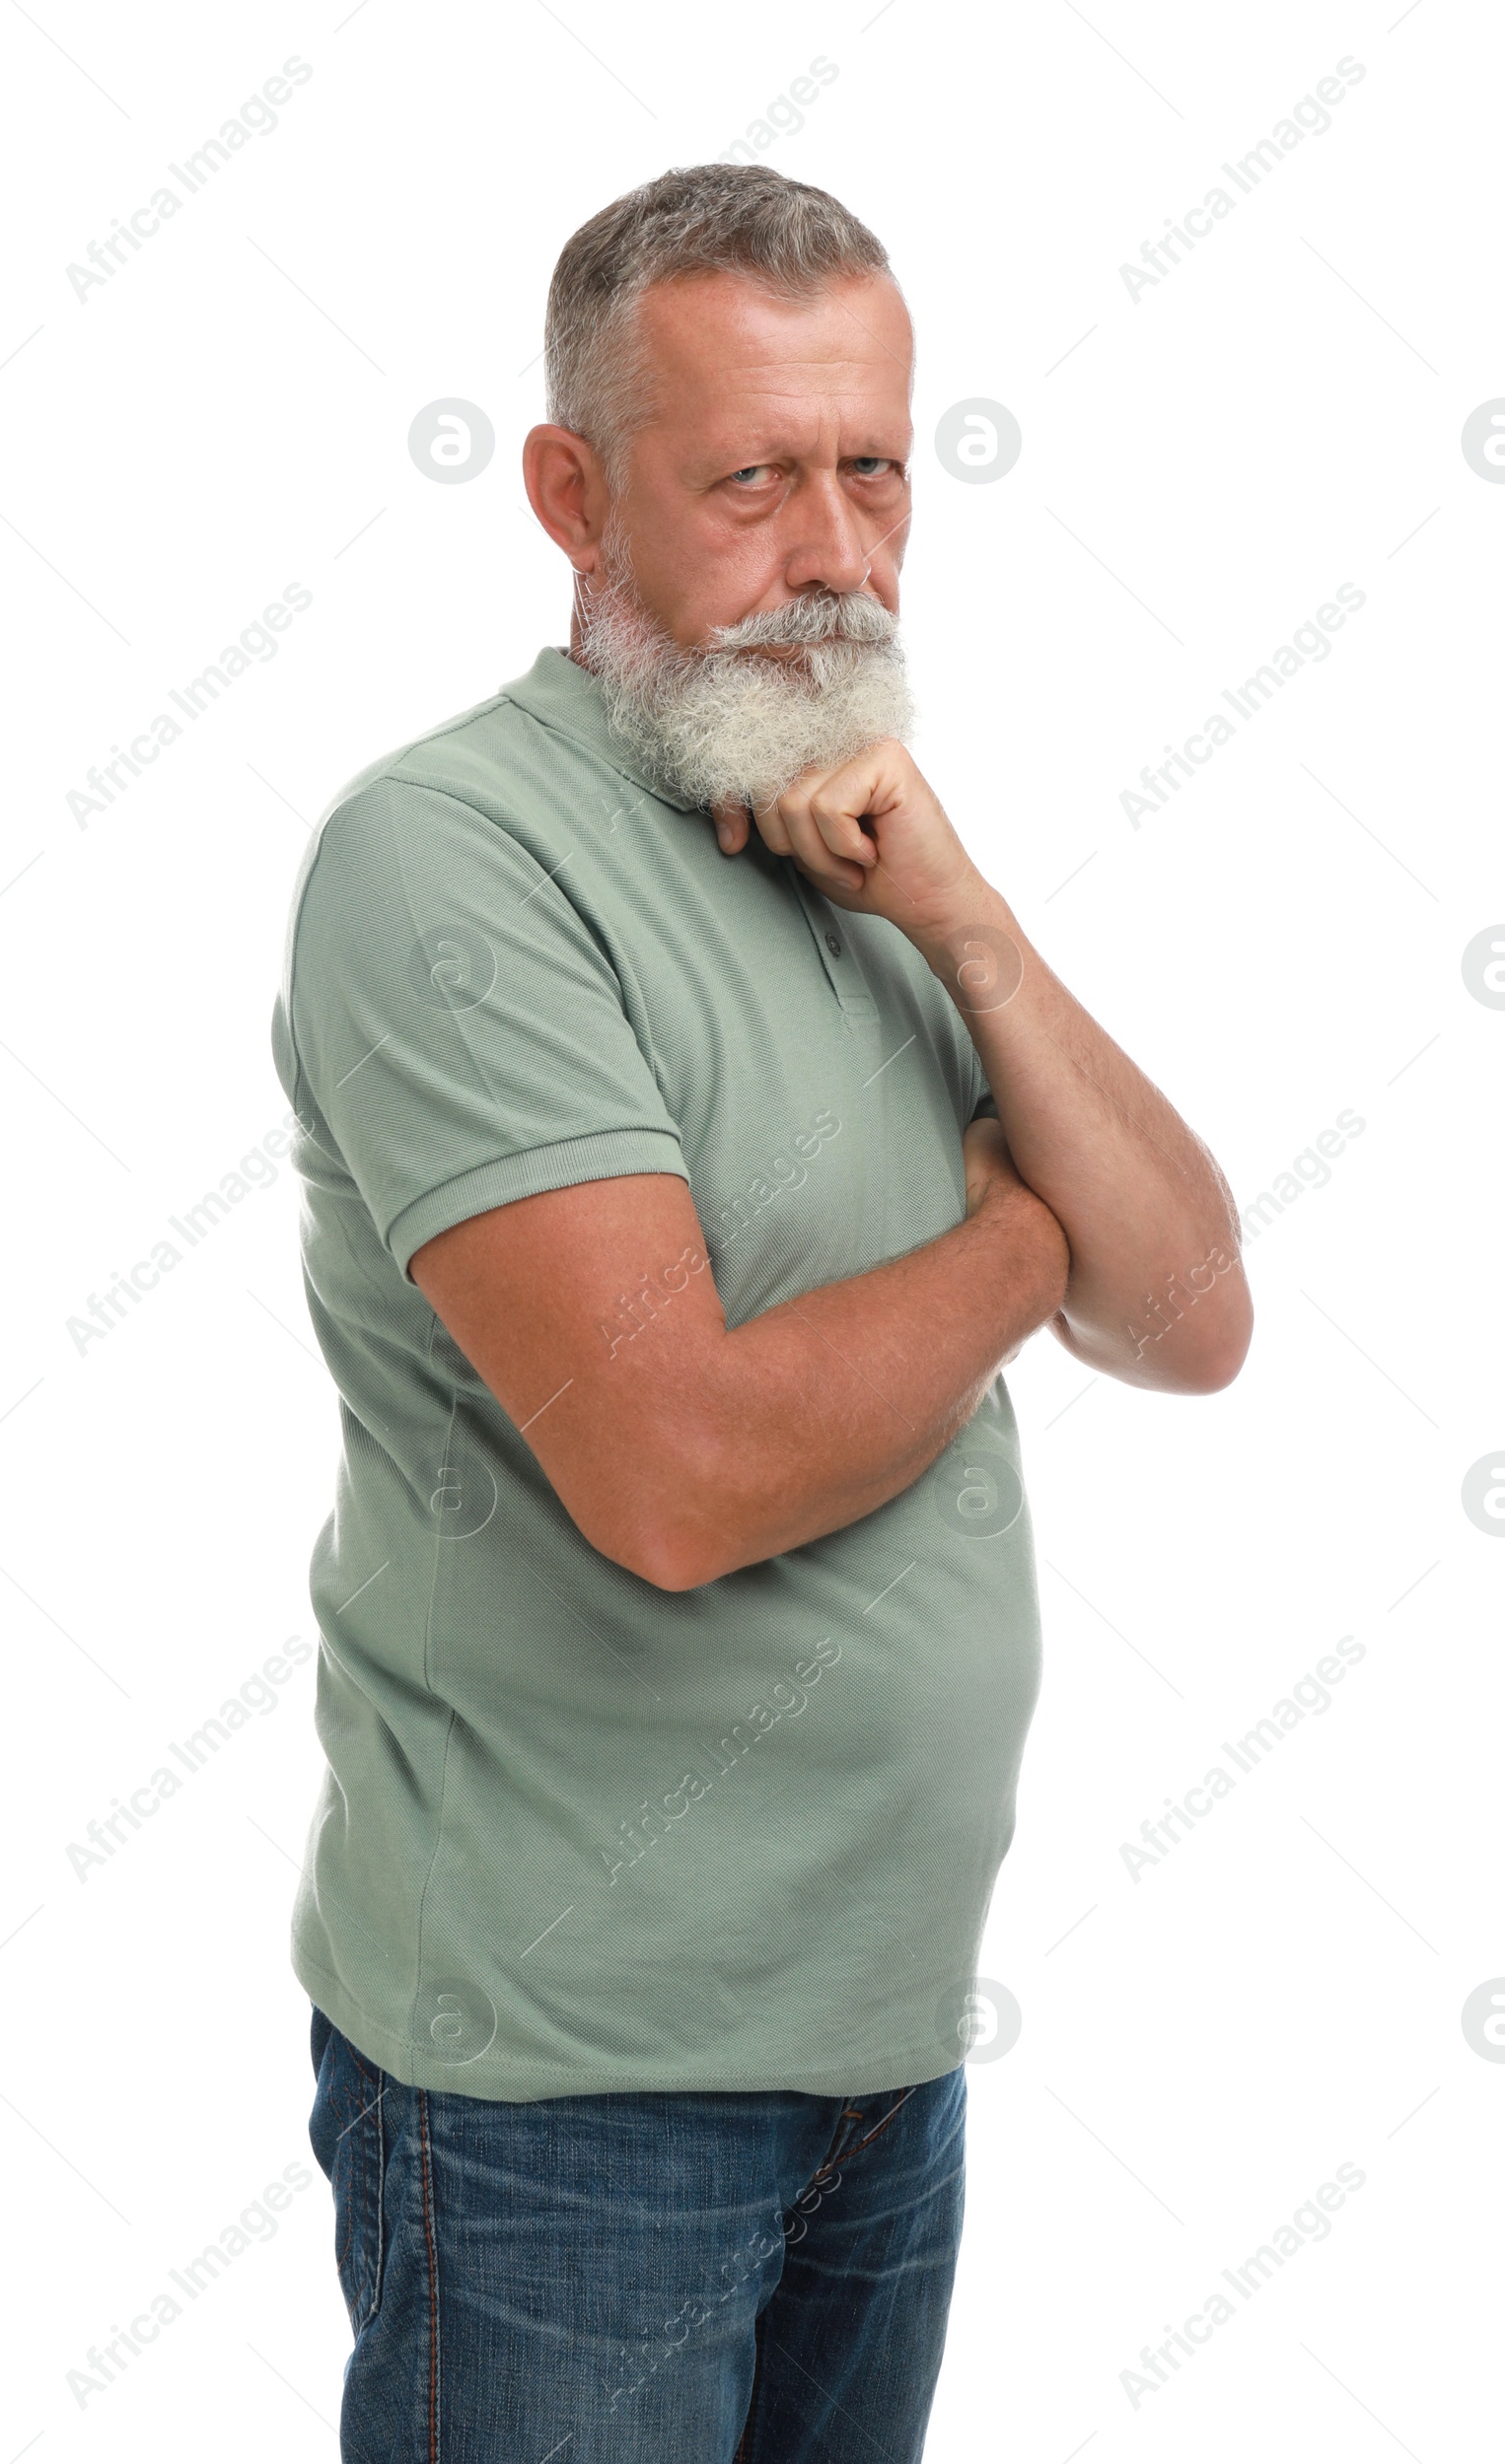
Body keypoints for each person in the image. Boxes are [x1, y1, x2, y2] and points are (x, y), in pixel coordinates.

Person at [273, 161, 1252, 2463]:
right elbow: (681, 1472)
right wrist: (1019, 1239)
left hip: (878, 2053)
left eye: (873, 468)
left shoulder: (840, 826)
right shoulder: (455, 862)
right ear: (570, 490)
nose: (833, 553)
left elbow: (1194, 1306)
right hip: (562, 2100)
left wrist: (976, 926)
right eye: (748, 481)